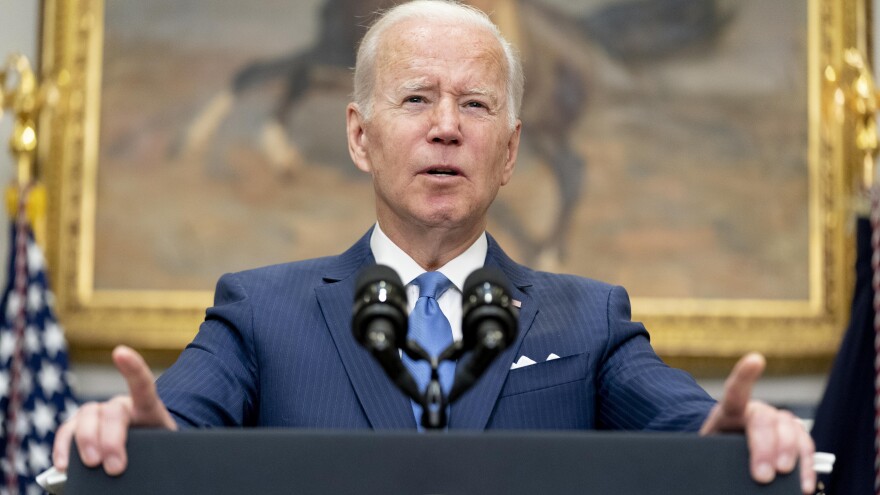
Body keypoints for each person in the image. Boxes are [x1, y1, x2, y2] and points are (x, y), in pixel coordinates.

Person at [51, 1, 815, 493]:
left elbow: (687, 423)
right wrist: (141, 441)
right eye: (416, 98)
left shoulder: (588, 320)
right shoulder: (259, 311)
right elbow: (176, 421)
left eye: (475, 104)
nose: (446, 126)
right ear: (359, 135)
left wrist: (733, 436)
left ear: (511, 152)